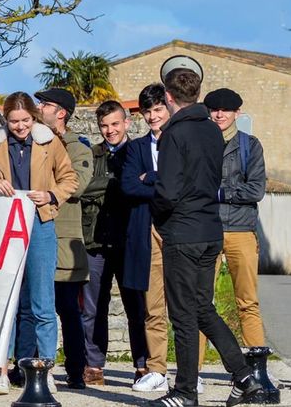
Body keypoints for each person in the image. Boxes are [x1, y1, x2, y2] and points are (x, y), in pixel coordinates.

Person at [147, 68, 261, 407]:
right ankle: (243, 376)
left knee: (183, 316)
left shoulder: (174, 134)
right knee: (202, 309)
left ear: (168, 98)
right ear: (197, 95)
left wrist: (157, 213)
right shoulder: (214, 132)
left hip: (182, 232)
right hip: (211, 229)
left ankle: (184, 392)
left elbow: (167, 191)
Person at [0, 91, 78, 396]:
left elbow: (70, 180)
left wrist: (50, 196)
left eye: (25, 120)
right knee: (6, 300)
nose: (20, 127)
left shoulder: (50, 142)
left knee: (42, 301)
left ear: (34, 118)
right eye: (13, 121)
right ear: (5, 120)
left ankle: (46, 368)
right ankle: (1, 370)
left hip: (40, 223)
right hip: (6, 225)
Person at [195, 89, 268, 366]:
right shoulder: (201, 144)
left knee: (248, 301)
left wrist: (220, 193)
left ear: (238, 112)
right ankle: (195, 371)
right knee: (201, 302)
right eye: (214, 109)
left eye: (226, 109)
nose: (219, 114)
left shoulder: (251, 145)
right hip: (206, 228)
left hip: (241, 230)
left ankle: (257, 367)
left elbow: (256, 189)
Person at [80, 100, 149, 387]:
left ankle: (143, 366)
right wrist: (122, 183)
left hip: (130, 240)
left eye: (115, 124)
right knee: (93, 308)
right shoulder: (91, 154)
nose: (110, 131)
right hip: (95, 240)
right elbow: (82, 188)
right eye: (104, 126)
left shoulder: (140, 152)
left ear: (127, 123)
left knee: (137, 307)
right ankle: (94, 366)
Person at [34, 89, 92, 390]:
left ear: (61, 113)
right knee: (32, 309)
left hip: (64, 241)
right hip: (34, 237)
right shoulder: (31, 142)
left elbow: (78, 185)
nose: (38, 108)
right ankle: (31, 366)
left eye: (45, 104)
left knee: (68, 310)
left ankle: (76, 369)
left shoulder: (78, 149)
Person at [121, 83, 174, 393]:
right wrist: (159, 181)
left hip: (178, 229)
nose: (153, 116)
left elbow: (179, 183)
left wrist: (150, 177)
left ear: (167, 108)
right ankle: (156, 368)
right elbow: (129, 186)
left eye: (158, 109)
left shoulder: (181, 141)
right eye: (148, 111)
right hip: (147, 229)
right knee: (153, 306)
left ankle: (190, 371)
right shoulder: (137, 148)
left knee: (185, 304)